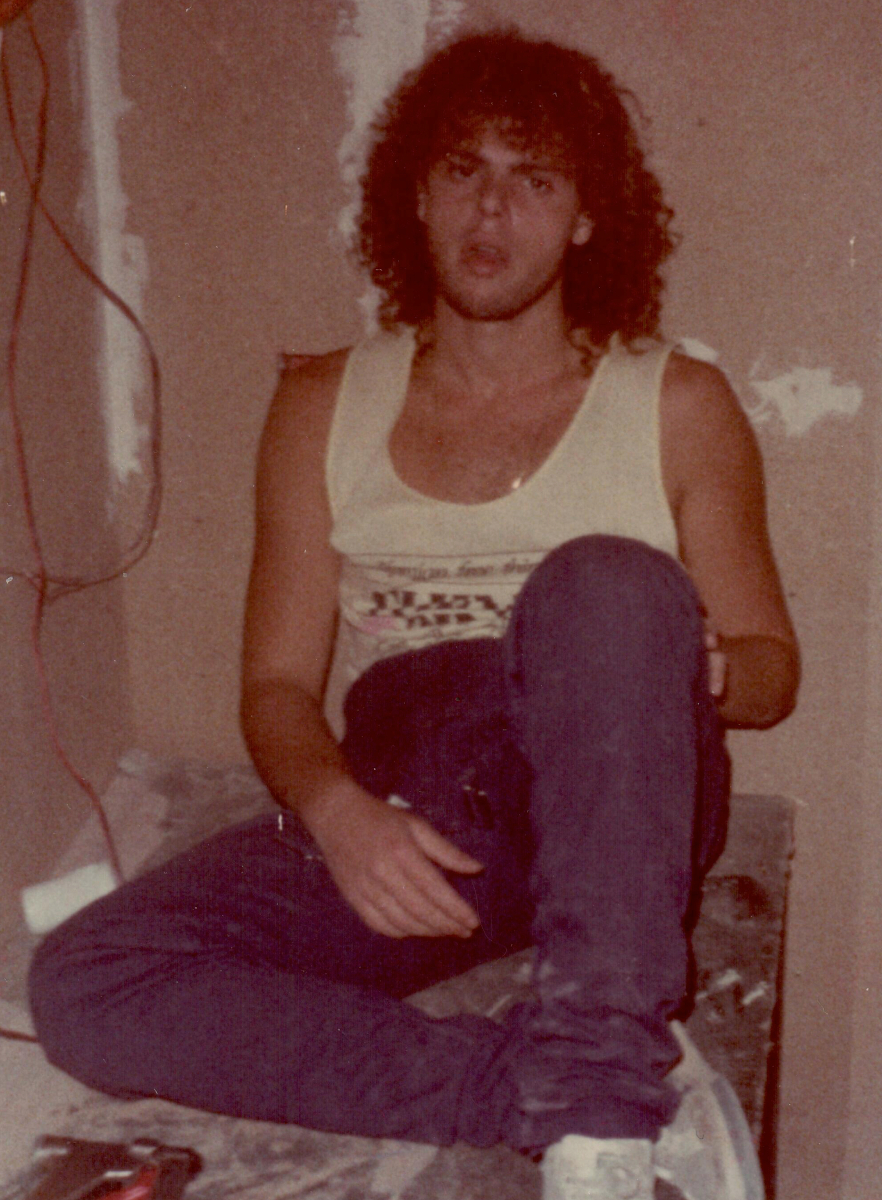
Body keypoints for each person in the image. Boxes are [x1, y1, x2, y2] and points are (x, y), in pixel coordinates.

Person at [29, 30, 799, 1200]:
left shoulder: (676, 401)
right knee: (90, 980)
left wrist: (698, 665)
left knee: (604, 582)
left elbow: (773, 668)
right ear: (419, 197)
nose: (492, 210)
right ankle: (537, 1087)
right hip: (421, 808)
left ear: (588, 218)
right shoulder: (320, 402)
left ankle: (599, 1126)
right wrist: (339, 813)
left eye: (535, 179)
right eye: (463, 169)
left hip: (613, 800)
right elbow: (276, 689)